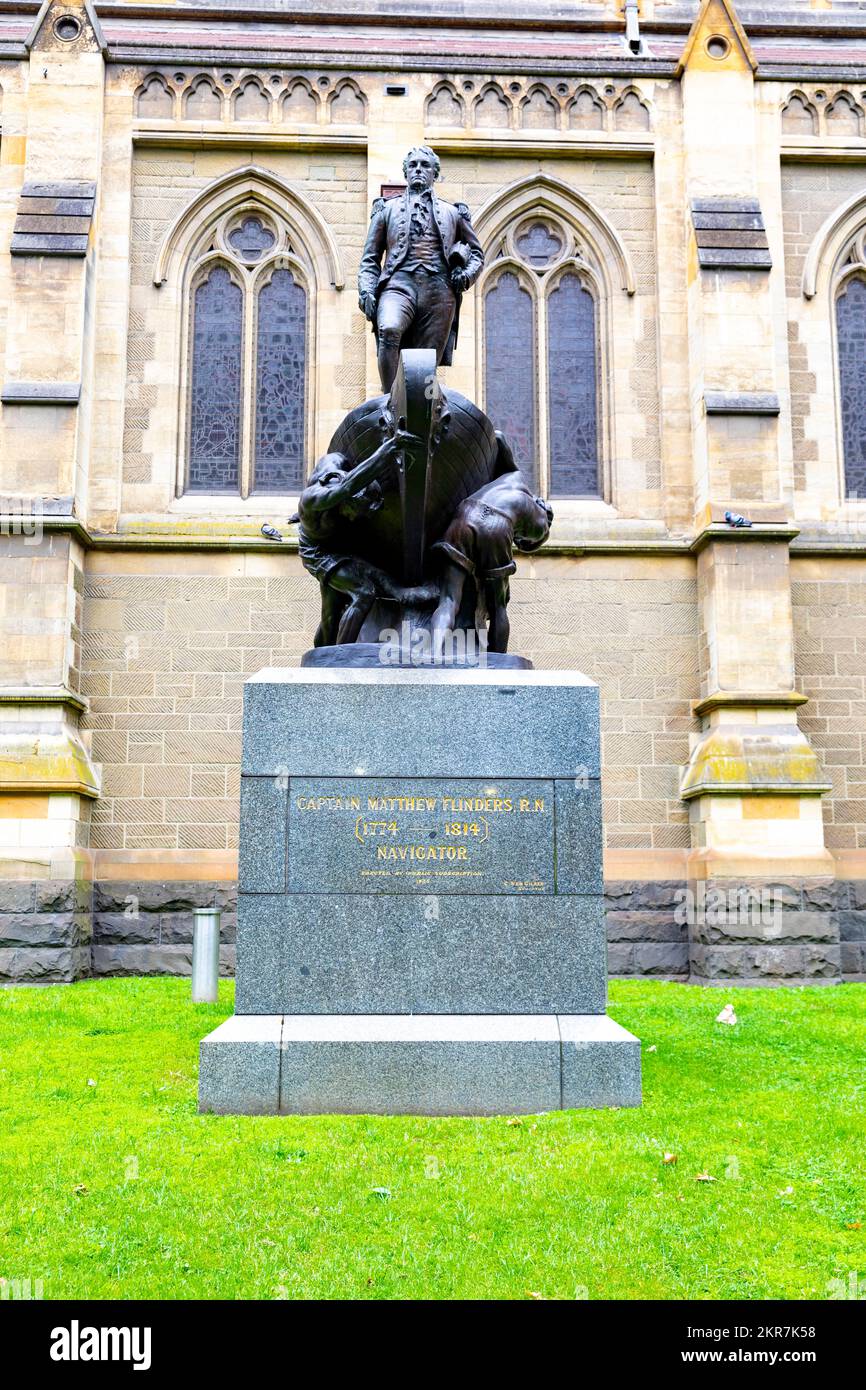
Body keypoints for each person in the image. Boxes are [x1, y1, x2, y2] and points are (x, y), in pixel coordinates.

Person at [291, 428, 437, 647]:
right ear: (346, 500)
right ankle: (340, 658)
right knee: (364, 592)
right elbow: (349, 485)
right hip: (319, 552)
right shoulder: (316, 498)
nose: (353, 519)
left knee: (331, 613)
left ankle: (320, 658)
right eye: (355, 512)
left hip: (341, 543)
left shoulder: (337, 464)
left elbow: (355, 480)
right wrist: (389, 447)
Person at [357, 146, 484, 390]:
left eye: (424, 165)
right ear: (405, 172)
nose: (418, 169)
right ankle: (389, 401)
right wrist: (366, 291)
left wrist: (465, 276)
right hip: (398, 284)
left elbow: (477, 253)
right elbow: (370, 259)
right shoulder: (386, 210)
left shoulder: (453, 212)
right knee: (389, 329)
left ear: (434, 174)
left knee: (424, 366)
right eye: (412, 165)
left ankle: (417, 418)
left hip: (439, 291)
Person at [430, 474, 554, 656]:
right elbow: (526, 545)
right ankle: (499, 662)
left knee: (448, 600)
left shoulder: (513, 478)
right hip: (497, 523)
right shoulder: (543, 522)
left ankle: (432, 656)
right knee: (498, 606)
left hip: (465, 513)